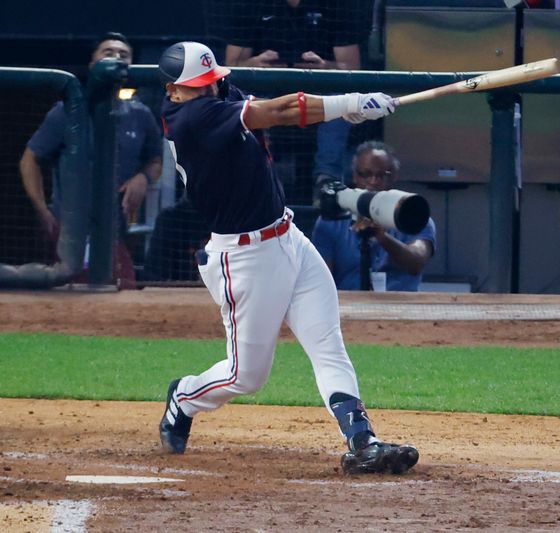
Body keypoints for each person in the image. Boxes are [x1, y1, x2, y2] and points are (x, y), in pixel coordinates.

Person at [156, 41, 418, 475]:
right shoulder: (189, 120)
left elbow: (277, 109)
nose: (208, 90)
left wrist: (340, 112)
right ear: (173, 92)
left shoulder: (219, 94)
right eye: (196, 87)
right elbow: (277, 112)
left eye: (210, 82)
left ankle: (362, 441)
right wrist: (349, 102)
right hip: (243, 258)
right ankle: (184, 396)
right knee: (246, 376)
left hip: (289, 237)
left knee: (327, 343)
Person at [20, 32, 163, 246]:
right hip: (68, 233)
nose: (117, 57)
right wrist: (42, 210)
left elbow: (155, 161)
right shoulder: (67, 111)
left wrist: (142, 178)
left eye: (123, 54)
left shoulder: (141, 114)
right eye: (108, 52)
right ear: (92, 64)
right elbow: (29, 159)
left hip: (115, 236)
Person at [218, 0, 372, 198]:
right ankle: (255, 179)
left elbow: (352, 67)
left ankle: (327, 183)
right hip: (265, 91)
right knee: (239, 101)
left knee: (341, 100)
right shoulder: (249, 5)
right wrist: (256, 64)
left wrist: (325, 66)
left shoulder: (338, 6)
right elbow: (232, 65)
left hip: (320, 90)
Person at [311, 141, 436, 291]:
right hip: (348, 308)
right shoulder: (331, 220)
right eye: (365, 174)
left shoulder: (415, 216)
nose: (373, 182)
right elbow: (320, 280)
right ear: (355, 175)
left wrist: (382, 237)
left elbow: (416, 262)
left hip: (400, 309)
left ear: (394, 176)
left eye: (381, 175)